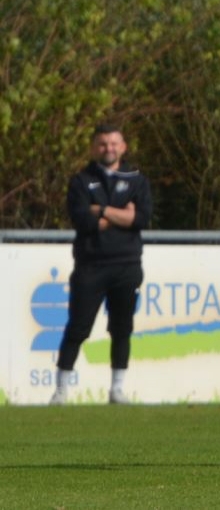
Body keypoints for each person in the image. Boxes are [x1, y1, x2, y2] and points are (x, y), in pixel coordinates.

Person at [52, 123, 152, 405]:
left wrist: (103, 211)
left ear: (123, 147)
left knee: (122, 329)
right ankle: (61, 391)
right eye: (103, 143)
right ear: (94, 147)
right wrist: (122, 216)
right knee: (78, 328)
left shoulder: (137, 180)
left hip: (126, 265)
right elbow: (82, 219)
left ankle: (116, 390)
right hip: (91, 265)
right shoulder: (81, 180)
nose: (109, 148)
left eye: (114, 143)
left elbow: (141, 219)